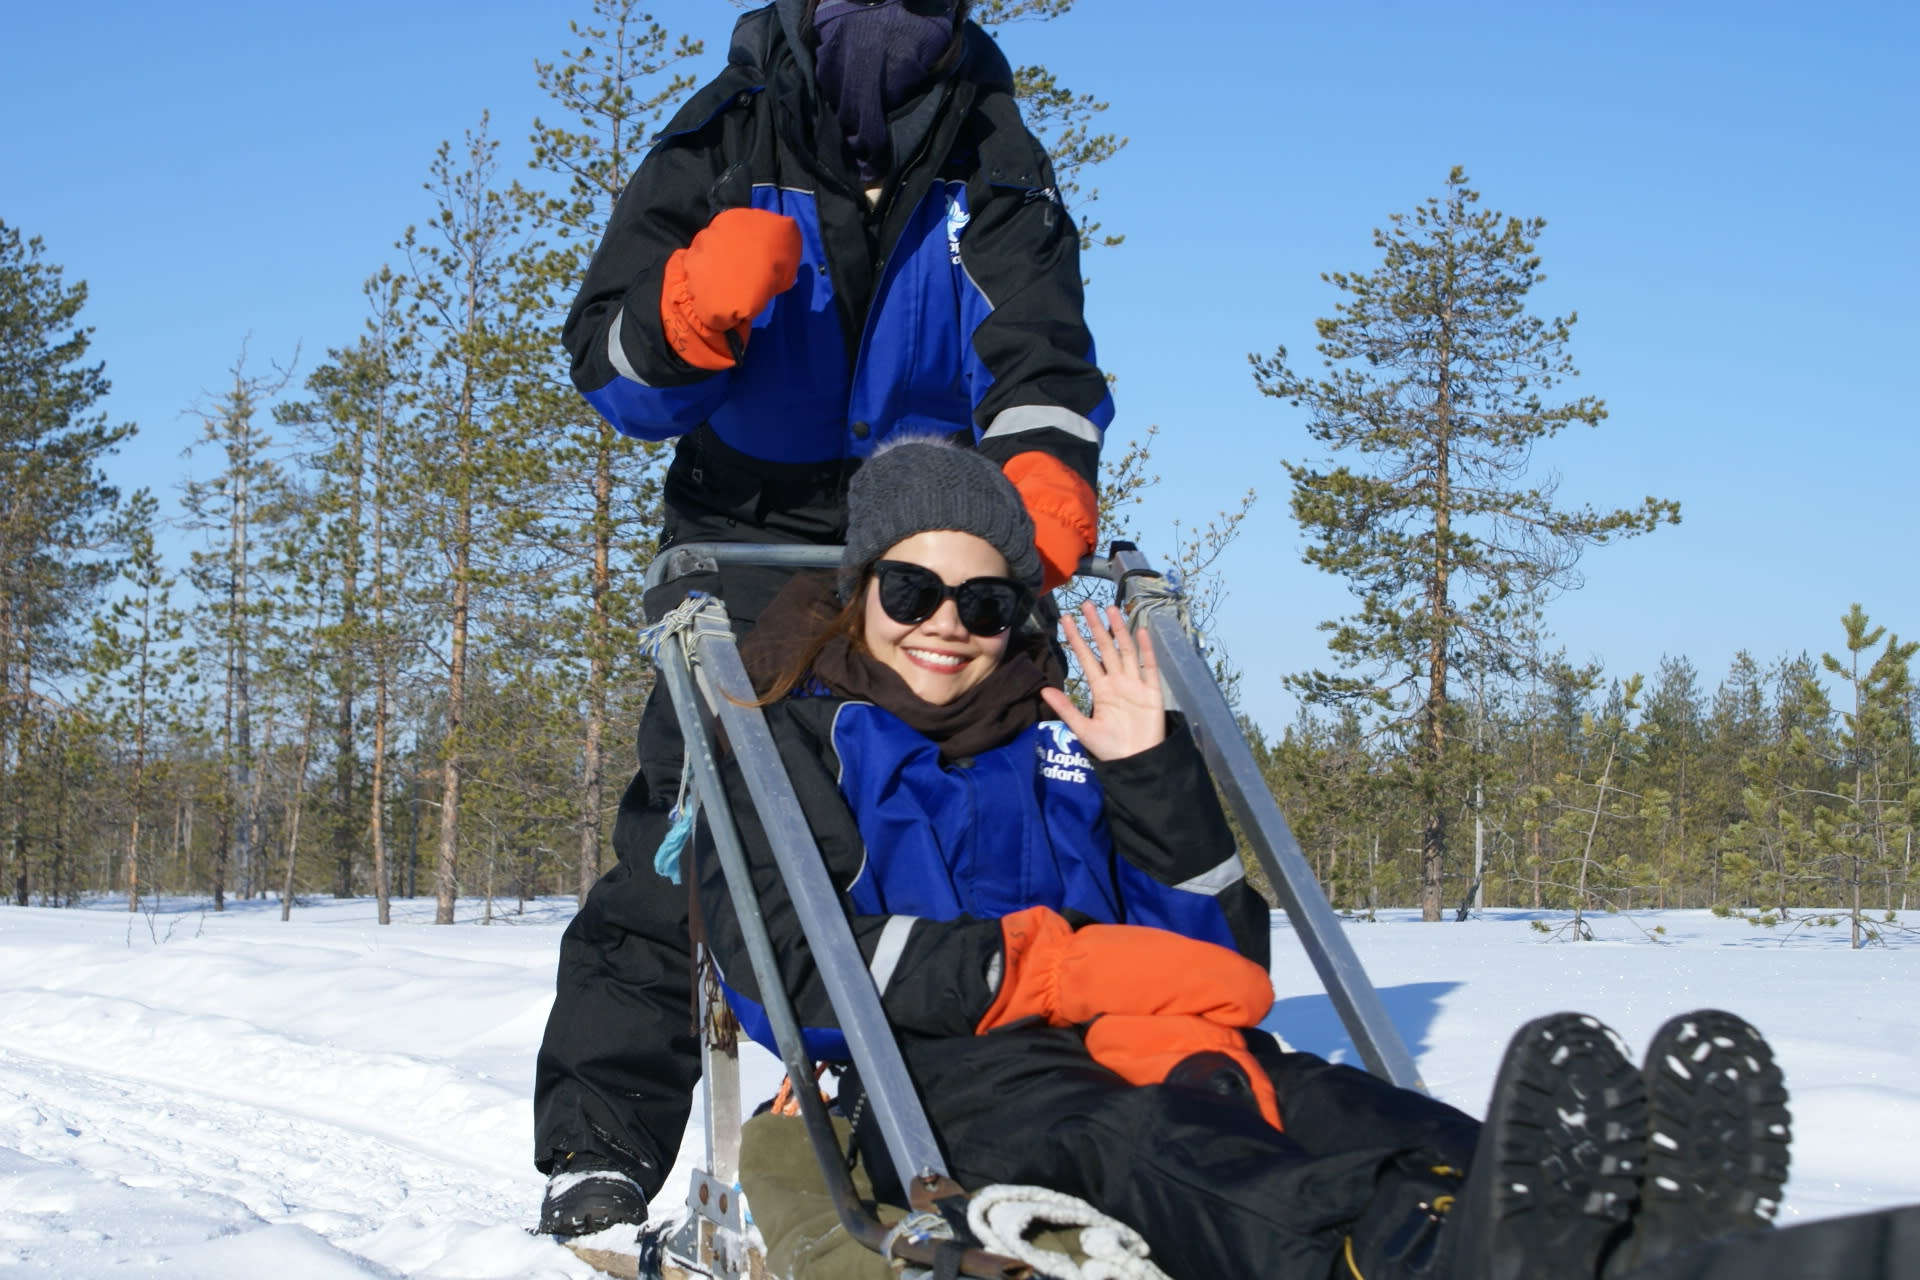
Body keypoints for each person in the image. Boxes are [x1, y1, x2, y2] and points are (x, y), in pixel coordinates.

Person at [690, 438, 1796, 1280]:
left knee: (1315, 1097)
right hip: (925, 1073)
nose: (949, 624)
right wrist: (1045, 970)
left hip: (1134, 1036)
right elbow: (784, 966)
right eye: (911, 590)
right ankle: (1402, 1255)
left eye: (984, 600)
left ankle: (1594, 1221)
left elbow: (1210, 957)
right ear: (859, 588)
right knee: (1140, 1138)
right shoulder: (791, 724)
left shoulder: (1058, 729)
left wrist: (1149, 769)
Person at [536, 0, 1113, 1235]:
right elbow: (608, 365)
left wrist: (1045, 466)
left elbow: (1042, 352)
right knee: (690, 836)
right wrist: (687, 314)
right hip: (750, 534)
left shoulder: (994, 153)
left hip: (931, 544)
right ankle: (603, 1140)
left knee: (991, 795)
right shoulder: (723, 135)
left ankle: (1002, 1087)